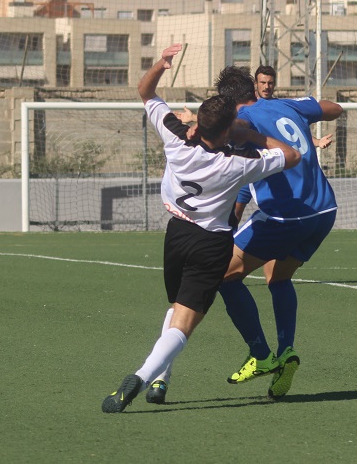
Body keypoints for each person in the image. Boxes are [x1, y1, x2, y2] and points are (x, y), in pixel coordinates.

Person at [101, 44, 301, 413]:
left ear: (198, 123)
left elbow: (145, 91)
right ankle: (142, 376)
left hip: (177, 234)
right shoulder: (237, 162)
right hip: (211, 244)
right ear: (226, 130)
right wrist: (252, 136)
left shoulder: (176, 136)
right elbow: (293, 155)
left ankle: (161, 379)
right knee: (184, 323)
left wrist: (162, 65)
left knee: (176, 307)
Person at [214, 65, 343, 399]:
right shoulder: (286, 104)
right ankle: (286, 351)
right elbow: (335, 108)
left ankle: (260, 354)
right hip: (323, 211)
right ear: (253, 89)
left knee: (222, 275)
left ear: (228, 103)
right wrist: (305, 112)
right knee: (278, 277)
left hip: (286, 217)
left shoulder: (244, 120)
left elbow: (236, 131)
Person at [229, 65, 333, 226]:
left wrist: (317, 142)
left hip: (274, 167)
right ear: (255, 84)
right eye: (263, 83)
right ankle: (231, 231)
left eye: (270, 83)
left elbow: (293, 135)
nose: (266, 87)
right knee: (236, 209)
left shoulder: (281, 105)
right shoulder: (246, 109)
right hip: (253, 164)